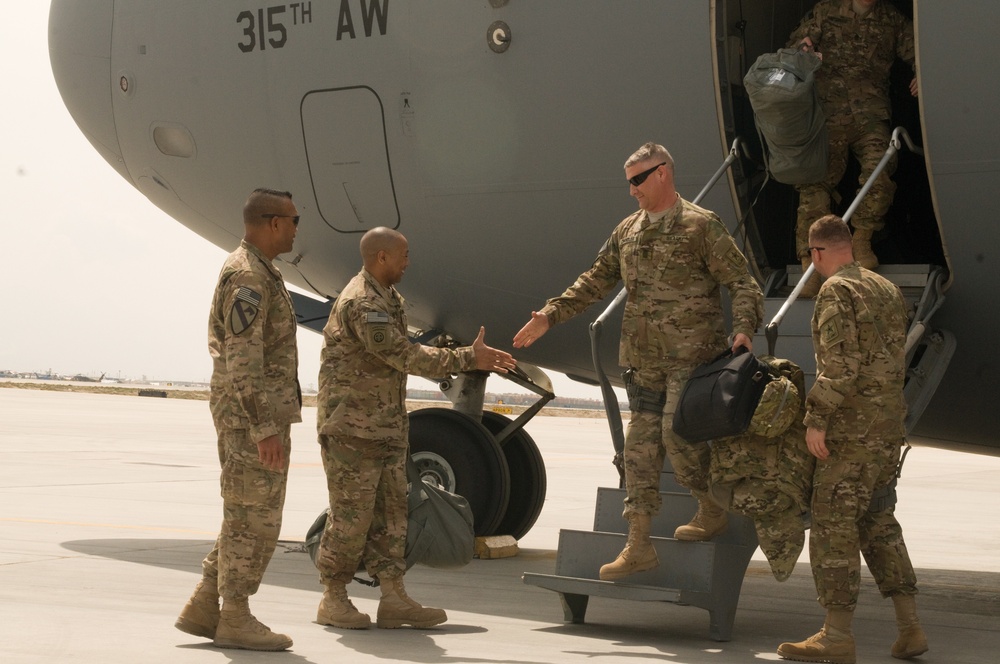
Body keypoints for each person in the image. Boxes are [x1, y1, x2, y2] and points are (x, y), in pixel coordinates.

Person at [513, 142, 764, 581]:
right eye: (628, 181)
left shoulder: (700, 226)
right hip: (643, 361)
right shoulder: (628, 230)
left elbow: (743, 282)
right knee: (639, 452)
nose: (631, 191)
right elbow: (595, 279)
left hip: (692, 358)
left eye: (638, 180)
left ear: (663, 173)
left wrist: (744, 327)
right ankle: (639, 544)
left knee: (677, 435)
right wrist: (551, 315)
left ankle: (709, 506)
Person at [315, 227, 516, 630]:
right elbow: (402, 354)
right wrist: (467, 358)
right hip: (352, 431)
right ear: (381, 257)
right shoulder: (363, 302)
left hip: (385, 428)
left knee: (393, 516)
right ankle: (333, 597)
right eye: (403, 255)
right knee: (351, 518)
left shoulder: (389, 297)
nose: (409, 262)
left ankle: (393, 598)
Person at [777, 215, 926, 663]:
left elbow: (841, 365)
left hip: (852, 434)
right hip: (886, 431)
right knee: (879, 523)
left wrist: (816, 418)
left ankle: (837, 635)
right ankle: (910, 628)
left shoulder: (836, 290)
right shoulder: (884, 288)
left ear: (817, 253)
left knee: (832, 526)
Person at [175, 188, 303, 651]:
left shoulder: (259, 272)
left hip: (253, 415)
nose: (295, 228)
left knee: (243, 514)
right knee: (256, 518)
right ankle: (236, 615)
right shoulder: (249, 276)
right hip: (252, 418)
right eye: (293, 220)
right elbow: (243, 357)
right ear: (271, 223)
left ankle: (207, 604)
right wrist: (264, 427)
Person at [789, 0, 917, 295]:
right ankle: (810, 263)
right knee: (813, 184)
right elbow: (796, 45)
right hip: (827, 116)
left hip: (870, 114)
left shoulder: (892, 19)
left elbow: (919, 49)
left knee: (881, 169)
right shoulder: (826, 11)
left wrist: (923, 74)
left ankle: (862, 239)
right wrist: (803, 47)